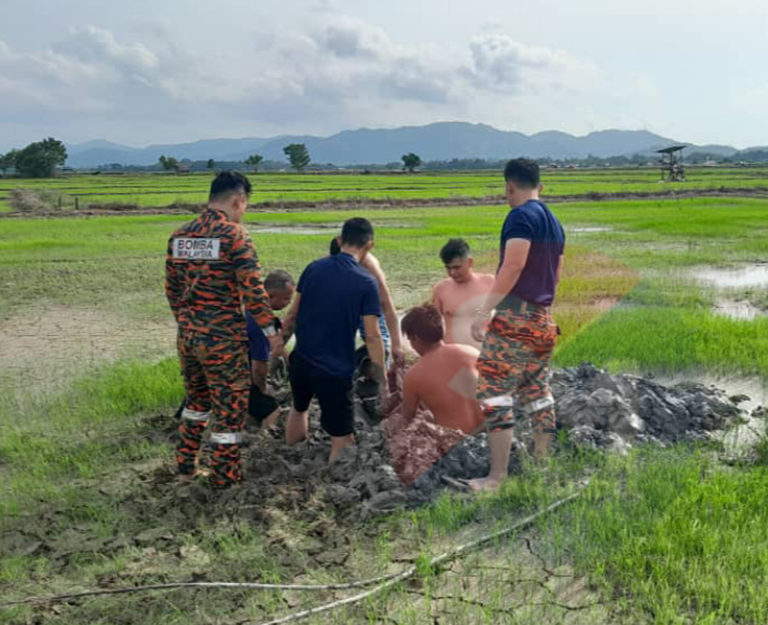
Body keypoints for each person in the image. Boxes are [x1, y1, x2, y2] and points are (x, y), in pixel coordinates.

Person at [165, 171, 282, 488]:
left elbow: (172, 291)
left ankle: (186, 465)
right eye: (245, 206)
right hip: (223, 341)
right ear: (238, 200)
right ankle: (225, 478)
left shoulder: (179, 237)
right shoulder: (234, 236)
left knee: (196, 403)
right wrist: (272, 333)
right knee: (230, 412)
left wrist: (189, 323)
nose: (243, 212)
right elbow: (253, 293)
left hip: (188, 336)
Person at [468, 158, 565, 492]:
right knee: (538, 392)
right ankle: (542, 466)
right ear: (540, 184)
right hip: (543, 318)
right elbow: (557, 272)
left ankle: (496, 478)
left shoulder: (520, 217)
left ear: (510, 185)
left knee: (495, 393)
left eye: (506, 190)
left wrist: (484, 310)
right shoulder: (554, 222)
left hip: (516, 317)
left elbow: (513, 267)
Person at [285, 217, 387, 464]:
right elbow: (372, 335)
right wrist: (382, 373)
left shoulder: (313, 268)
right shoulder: (365, 282)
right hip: (333, 369)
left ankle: (290, 455)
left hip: (301, 359)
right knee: (343, 438)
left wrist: (281, 341)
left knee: (299, 408)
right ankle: (331, 488)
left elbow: (292, 314)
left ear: (340, 240)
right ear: (370, 245)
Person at [399, 304, 484, 434]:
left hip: (459, 443)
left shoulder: (414, 377)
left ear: (415, 338)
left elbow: (406, 418)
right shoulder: (471, 353)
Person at [245, 270, 295, 426]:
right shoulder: (261, 324)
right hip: (233, 379)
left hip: (214, 368)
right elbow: (259, 367)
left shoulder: (248, 307)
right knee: (271, 410)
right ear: (271, 295)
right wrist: (263, 389)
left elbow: (279, 350)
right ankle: (263, 445)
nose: (288, 303)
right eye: (286, 298)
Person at [432, 238, 495, 350]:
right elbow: (433, 326)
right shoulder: (441, 289)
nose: (452, 273)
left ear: (470, 262)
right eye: (448, 268)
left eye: (457, 267)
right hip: (454, 357)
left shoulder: (490, 283)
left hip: (486, 356)